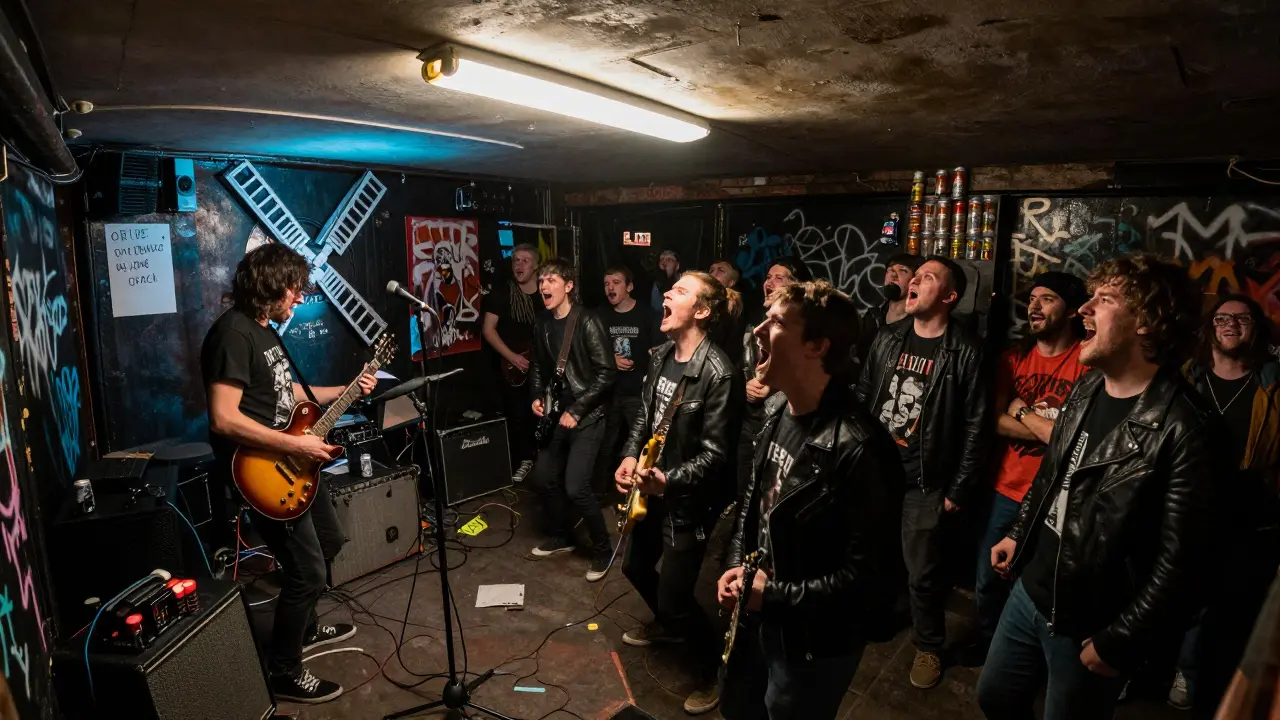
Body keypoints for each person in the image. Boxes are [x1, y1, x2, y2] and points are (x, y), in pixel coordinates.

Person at [979, 254, 1215, 720]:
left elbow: (1184, 560)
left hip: (1091, 619)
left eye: (1103, 299)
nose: (1084, 309)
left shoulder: (1185, 429)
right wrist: (1019, 532)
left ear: (1147, 321)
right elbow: (1053, 476)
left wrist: (1122, 637)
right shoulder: (1088, 389)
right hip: (1031, 589)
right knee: (995, 697)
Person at [719, 279, 903, 720]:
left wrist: (775, 595)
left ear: (818, 346)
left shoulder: (860, 448)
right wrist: (736, 565)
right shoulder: (783, 408)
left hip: (810, 645)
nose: (758, 331)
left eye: (777, 322)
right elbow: (755, 503)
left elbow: (869, 582)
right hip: (760, 617)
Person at [201, 243, 374, 703]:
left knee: (332, 541)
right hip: (265, 473)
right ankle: (284, 671)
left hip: (296, 464)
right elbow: (223, 417)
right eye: (294, 290)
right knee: (307, 573)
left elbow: (288, 390)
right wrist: (296, 443)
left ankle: (304, 631)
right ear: (271, 285)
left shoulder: (264, 331)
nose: (298, 299)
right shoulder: (232, 334)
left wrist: (349, 389)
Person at [855, 255, 989, 690]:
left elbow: (976, 424)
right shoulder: (888, 337)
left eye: (927, 278)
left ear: (949, 297)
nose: (913, 281)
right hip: (877, 471)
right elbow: (864, 392)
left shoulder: (965, 350)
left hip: (925, 480)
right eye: (914, 276)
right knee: (872, 555)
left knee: (923, 574)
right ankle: (874, 619)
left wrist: (959, 487)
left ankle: (928, 645)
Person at [616, 271, 743, 716]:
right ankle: (671, 625)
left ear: (702, 312)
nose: (667, 294)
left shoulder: (719, 372)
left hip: (689, 500)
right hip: (652, 488)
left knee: (676, 595)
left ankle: (715, 673)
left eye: (681, 292)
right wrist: (631, 456)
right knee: (633, 566)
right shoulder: (660, 356)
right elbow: (644, 422)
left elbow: (716, 456)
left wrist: (667, 480)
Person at [970, 271, 1088, 663]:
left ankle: (1027, 656)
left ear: (1072, 310)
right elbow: (992, 420)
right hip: (1007, 487)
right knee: (988, 579)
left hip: (1059, 495)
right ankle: (988, 645)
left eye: (1047, 299)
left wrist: (1021, 410)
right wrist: (1050, 430)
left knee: (1040, 586)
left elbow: (1076, 438)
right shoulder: (1013, 358)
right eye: (1032, 299)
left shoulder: (1086, 364)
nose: (1034, 307)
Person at [1171, 295, 1280, 715]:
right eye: (1221, 318)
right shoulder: (1187, 378)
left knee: (1224, 608)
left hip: (1247, 516)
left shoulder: (1271, 384)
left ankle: (1195, 674)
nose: (1230, 324)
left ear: (1256, 328)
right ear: (1210, 327)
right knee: (1176, 593)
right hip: (1187, 506)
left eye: (1241, 318)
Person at [527, 258, 617, 581]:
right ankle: (563, 536)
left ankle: (603, 549)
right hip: (556, 414)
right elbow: (537, 365)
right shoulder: (541, 322)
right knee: (543, 478)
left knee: (577, 486)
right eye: (541, 282)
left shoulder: (587, 321)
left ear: (568, 286)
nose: (544, 286)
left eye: (551, 280)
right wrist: (537, 397)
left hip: (587, 415)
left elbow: (607, 374)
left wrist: (577, 410)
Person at [735, 260, 811, 506]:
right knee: (744, 494)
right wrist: (743, 386)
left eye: (779, 277)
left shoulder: (805, 330)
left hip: (781, 424)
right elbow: (738, 369)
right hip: (749, 424)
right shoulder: (754, 325)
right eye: (768, 276)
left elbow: (808, 376)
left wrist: (774, 385)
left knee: (772, 496)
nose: (769, 282)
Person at [594, 265, 657, 504]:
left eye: (616, 282)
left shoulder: (646, 314)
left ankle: (640, 495)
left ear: (629, 286)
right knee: (605, 444)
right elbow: (590, 350)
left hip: (636, 393)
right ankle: (599, 493)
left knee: (638, 443)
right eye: (607, 283)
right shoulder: (600, 314)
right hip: (609, 391)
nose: (610, 287)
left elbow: (658, 350)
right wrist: (611, 360)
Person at [481, 243, 541, 482]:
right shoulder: (502, 293)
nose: (519, 265)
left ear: (537, 266)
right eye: (516, 260)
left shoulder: (546, 293)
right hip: (514, 367)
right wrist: (513, 357)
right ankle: (524, 460)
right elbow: (489, 330)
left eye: (525, 260)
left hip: (542, 365)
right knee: (519, 415)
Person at [857, 253, 922, 367]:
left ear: (914, 280)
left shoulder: (918, 325)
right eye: (890, 270)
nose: (893, 275)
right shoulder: (872, 318)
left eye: (903, 270)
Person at [650, 249, 682, 316]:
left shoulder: (685, 281)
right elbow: (656, 309)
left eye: (669, 260)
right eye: (661, 260)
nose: (664, 263)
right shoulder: (657, 284)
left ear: (677, 265)